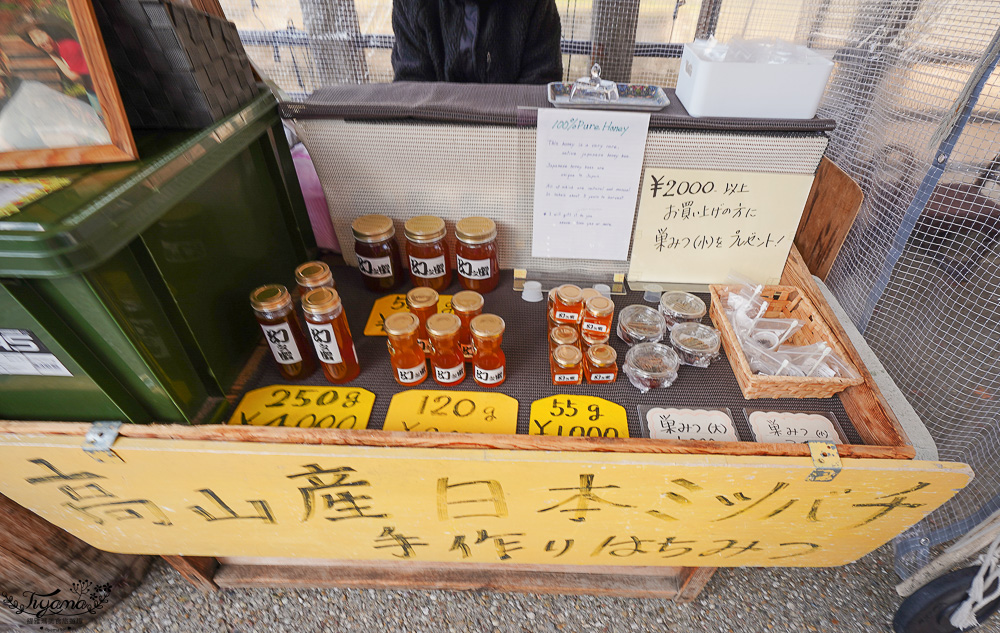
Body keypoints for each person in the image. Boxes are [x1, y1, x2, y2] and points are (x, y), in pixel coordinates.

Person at [391, 0, 563, 84]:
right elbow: (411, 86)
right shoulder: (411, 4)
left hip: (510, 138)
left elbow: (540, 86)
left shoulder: (536, 5)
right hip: (436, 141)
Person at [20, 20, 99, 111]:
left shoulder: (67, 47)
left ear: (49, 33)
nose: (40, 41)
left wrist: (53, 56)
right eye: (34, 38)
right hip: (91, 89)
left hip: (100, 89)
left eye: (40, 34)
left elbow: (74, 77)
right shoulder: (58, 49)